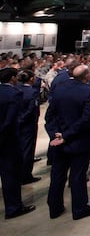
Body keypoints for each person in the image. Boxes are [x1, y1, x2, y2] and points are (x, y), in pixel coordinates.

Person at [45, 64, 90, 220]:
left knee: (57, 175)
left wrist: (55, 136)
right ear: (87, 76)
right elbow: (84, 120)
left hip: (59, 141)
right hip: (78, 141)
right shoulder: (88, 92)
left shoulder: (58, 90)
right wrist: (66, 135)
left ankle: (54, 208)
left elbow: (49, 117)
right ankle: (80, 209)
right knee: (77, 176)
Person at [0, 68, 36, 219]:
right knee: (11, 176)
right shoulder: (15, 94)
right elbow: (11, 120)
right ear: (13, 78)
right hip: (8, 141)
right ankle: (13, 207)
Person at [16, 70, 42, 185]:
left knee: (20, 148)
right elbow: (31, 109)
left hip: (18, 123)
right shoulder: (32, 92)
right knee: (28, 149)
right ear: (31, 79)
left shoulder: (16, 89)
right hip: (28, 124)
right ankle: (26, 175)